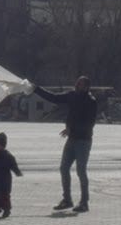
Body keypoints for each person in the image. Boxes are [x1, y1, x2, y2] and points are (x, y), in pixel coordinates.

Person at [34, 76, 98, 213]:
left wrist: (71, 129)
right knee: (64, 168)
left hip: (83, 141)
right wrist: (36, 89)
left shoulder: (90, 101)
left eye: (81, 84)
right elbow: (54, 98)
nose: (78, 86)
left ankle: (84, 202)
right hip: (72, 139)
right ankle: (67, 200)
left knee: (81, 171)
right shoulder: (72, 96)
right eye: (78, 83)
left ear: (87, 87)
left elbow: (88, 124)